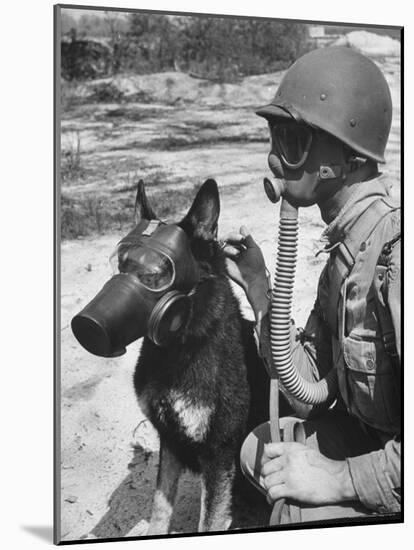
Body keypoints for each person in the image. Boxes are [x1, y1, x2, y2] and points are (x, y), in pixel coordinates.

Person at [223, 46, 401, 523]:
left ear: (346, 155)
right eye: (276, 138)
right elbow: (307, 389)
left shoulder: (396, 257)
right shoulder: (347, 254)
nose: (276, 159)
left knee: (296, 510)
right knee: (260, 448)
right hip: (372, 436)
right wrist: (260, 289)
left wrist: (337, 478)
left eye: (292, 140)